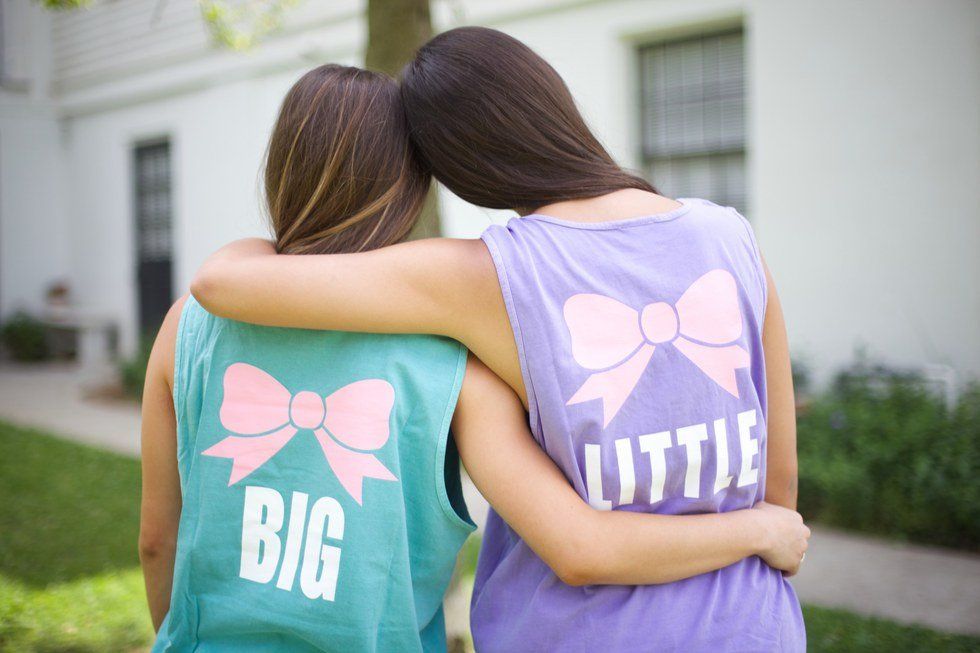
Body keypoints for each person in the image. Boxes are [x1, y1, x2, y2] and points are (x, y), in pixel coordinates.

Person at [188, 30, 810, 651]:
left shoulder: (483, 275)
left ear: (452, 169)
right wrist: (755, 530)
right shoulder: (733, 237)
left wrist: (261, 239)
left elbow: (220, 284)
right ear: (553, 103)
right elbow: (778, 493)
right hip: (754, 628)